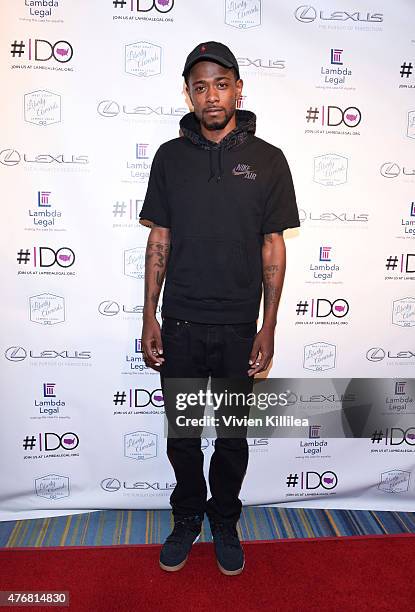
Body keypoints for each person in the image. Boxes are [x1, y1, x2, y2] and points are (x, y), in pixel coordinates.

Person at [139, 41, 300, 576]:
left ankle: (224, 519)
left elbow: (272, 245)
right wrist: (149, 316)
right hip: (181, 325)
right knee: (183, 436)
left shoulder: (269, 159)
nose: (211, 96)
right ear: (188, 92)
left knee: (231, 436)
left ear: (238, 88)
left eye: (221, 83)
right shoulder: (169, 157)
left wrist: (268, 326)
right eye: (200, 86)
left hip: (237, 329)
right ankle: (187, 518)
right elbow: (159, 237)